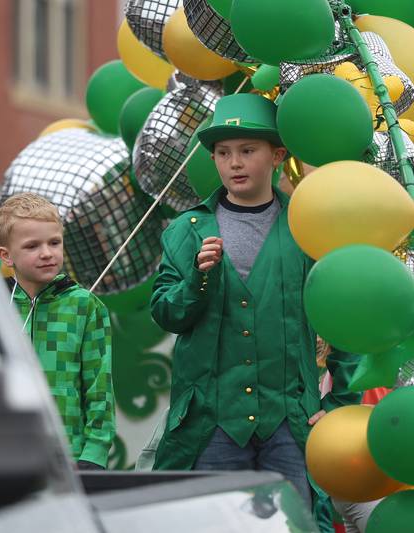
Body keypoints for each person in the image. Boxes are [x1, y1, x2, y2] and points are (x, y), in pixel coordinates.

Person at [149, 93, 357, 508]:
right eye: (223, 153)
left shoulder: (308, 227)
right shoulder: (185, 231)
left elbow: (343, 319)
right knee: (216, 521)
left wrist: (339, 404)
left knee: (293, 521)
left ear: (277, 154)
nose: (235, 162)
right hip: (211, 422)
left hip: (289, 421)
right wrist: (197, 278)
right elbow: (166, 313)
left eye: (248, 150)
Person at [0, 192, 115, 469]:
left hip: (70, 456)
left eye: (54, 242)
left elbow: (100, 388)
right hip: (5, 455)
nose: (47, 253)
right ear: (6, 255)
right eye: (32, 246)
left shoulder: (85, 306)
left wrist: (93, 454)